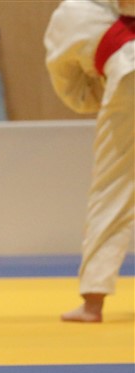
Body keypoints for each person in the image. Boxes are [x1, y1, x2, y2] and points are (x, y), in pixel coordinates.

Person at [45, 0, 134, 323]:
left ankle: (93, 301)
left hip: (129, 79)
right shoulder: (76, 14)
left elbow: (76, 94)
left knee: (113, 188)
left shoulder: (67, 16)